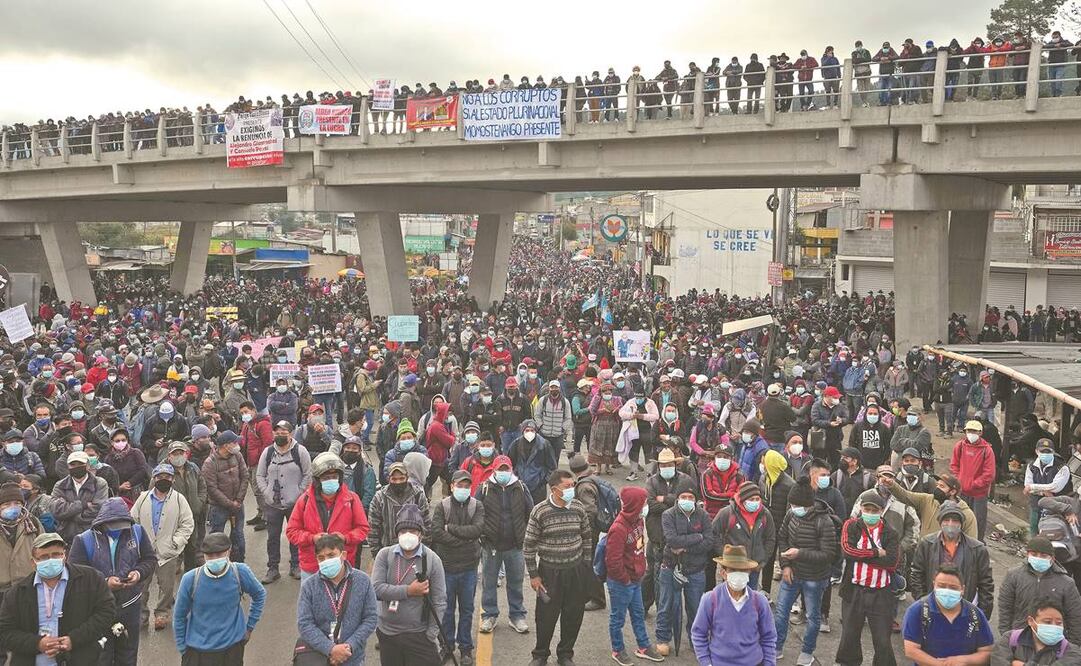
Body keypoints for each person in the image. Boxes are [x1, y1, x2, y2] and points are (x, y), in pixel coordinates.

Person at [0, 532, 116, 665]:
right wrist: (37, 643)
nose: (50, 560)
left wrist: (74, 639)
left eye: (56, 554)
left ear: (64, 556)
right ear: (33, 562)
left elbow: (107, 612)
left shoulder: (90, 579)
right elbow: (5, 631)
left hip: (80, 659)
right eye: (44, 557)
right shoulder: (18, 592)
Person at [67, 496, 157, 665]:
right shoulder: (84, 540)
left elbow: (149, 559)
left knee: (128, 654)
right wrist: (104, 582)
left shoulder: (137, 532)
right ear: (102, 522)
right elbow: (75, 573)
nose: (118, 529)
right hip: (98, 608)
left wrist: (138, 573)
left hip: (130, 604)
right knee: (101, 655)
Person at [525, 469, 592, 666]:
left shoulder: (578, 507)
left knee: (573, 614)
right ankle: (540, 654)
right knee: (545, 616)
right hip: (549, 572)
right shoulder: (540, 511)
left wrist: (586, 564)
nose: (572, 490)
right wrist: (534, 575)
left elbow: (587, 536)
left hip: (576, 570)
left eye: (573, 485)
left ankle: (565, 654)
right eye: (567, 487)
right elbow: (528, 545)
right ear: (554, 489)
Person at [173, 532, 267, 665]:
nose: (214, 559)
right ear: (203, 555)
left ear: (228, 551)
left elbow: (260, 594)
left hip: (232, 650)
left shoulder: (240, 572)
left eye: (218, 554)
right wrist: (183, 648)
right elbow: (179, 616)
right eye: (209, 555)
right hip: (197, 652)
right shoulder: (190, 579)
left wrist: (250, 626)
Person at [371, 503, 447, 665]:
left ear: (420, 535)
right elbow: (376, 589)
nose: (407, 535)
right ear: (397, 534)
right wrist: (409, 591)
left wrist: (431, 634)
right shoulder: (385, 555)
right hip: (388, 633)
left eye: (412, 531)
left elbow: (440, 600)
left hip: (418, 634)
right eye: (403, 531)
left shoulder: (432, 559)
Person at [773, 477, 838, 666]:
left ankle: (807, 651)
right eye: (792, 504)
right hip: (792, 573)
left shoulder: (824, 521)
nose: (794, 508)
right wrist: (785, 564)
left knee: (812, 616)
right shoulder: (791, 515)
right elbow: (782, 537)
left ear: (808, 505)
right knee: (781, 612)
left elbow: (828, 554)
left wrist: (800, 553)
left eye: (796, 505)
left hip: (815, 577)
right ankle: (776, 647)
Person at [835, 491, 900, 666]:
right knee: (849, 635)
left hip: (880, 594)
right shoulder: (851, 526)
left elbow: (892, 562)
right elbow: (847, 551)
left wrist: (861, 556)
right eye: (867, 509)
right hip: (854, 590)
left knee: (882, 640)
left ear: (881, 511)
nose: (870, 513)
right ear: (861, 508)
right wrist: (876, 553)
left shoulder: (890, 532)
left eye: (874, 510)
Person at [296, 533, 379, 666]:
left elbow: (371, 618)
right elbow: (305, 624)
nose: (326, 561)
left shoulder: (363, 581)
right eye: (321, 558)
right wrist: (330, 649)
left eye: (331, 555)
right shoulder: (309, 586)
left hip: (353, 657)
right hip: (320, 657)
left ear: (343, 555)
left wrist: (349, 646)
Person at [131, 463, 195, 632]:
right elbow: (133, 521)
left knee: (166, 587)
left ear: (172, 479)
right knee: (141, 586)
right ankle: (141, 615)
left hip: (167, 551)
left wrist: (177, 542)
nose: (163, 480)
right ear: (154, 479)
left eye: (167, 477)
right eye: (159, 477)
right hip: (144, 553)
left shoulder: (179, 499)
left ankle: (162, 614)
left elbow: (187, 524)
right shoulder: (143, 497)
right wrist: (137, 542)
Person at [286, 451, 370, 579]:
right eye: (325, 478)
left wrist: (346, 538)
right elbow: (292, 531)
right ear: (317, 480)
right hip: (312, 567)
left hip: (343, 566)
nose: (331, 480)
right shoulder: (304, 501)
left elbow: (363, 529)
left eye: (334, 477)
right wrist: (311, 538)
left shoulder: (352, 499)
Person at [430, 470, 484, 665]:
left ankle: (466, 648)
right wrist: (465, 540)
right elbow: (436, 533)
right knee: (446, 609)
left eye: (466, 486)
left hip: (469, 567)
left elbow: (477, 530)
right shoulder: (441, 507)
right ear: (451, 486)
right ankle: (447, 645)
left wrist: (450, 528)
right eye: (459, 485)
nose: (463, 489)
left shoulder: (476, 506)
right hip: (447, 567)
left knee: (467, 609)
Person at [605, 486, 664, 664]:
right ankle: (617, 650)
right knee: (618, 618)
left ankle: (644, 646)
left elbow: (638, 547)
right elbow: (613, 561)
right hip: (622, 582)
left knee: (638, 614)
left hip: (635, 578)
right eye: (644, 502)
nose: (646, 505)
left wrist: (639, 570)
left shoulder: (638, 521)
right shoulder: (618, 528)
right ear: (636, 504)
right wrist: (625, 579)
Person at [690, 544, 776, 666]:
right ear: (723, 573)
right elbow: (698, 633)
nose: (738, 574)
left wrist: (769, 663)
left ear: (749, 572)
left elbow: (769, 637)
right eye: (733, 570)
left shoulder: (760, 601)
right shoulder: (710, 599)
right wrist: (706, 663)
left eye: (742, 570)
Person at [476, 454, 533, 635]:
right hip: (491, 545)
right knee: (489, 582)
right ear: (493, 470)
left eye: (506, 469)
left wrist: (525, 536)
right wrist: (482, 535)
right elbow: (477, 512)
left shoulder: (520, 487)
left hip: (515, 545)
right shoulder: (484, 488)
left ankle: (517, 615)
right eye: (499, 469)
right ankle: (489, 615)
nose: (503, 472)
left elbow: (530, 512)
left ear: (511, 470)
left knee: (516, 581)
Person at [910, 501, 994, 620]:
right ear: (940, 523)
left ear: (961, 524)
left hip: (964, 612)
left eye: (955, 521)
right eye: (946, 520)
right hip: (933, 610)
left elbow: (986, 585)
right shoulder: (927, 544)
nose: (950, 524)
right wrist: (923, 603)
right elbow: (917, 574)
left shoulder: (977, 549)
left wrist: (982, 616)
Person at [902, 563, 994, 664]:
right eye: (941, 586)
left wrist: (962, 661)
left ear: (962, 589)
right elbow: (911, 650)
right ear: (934, 585)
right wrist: (939, 664)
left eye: (953, 587)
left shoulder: (975, 614)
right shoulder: (917, 611)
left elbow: (986, 651)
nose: (947, 591)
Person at [255, 419, 312, 583]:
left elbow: (308, 474)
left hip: (295, 503)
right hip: (272, 503)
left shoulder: (300, 451)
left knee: (295, 536)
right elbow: (260, 475)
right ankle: (273, 568)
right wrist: (266, 492)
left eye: (284, 432)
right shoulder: (267, 452)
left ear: (291, 433)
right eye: (277, 432)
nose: (280, 435)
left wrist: (300, 493)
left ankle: (296, 565)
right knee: (272, 536)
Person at [997, 535, 1081, 642]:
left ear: (1052, 558)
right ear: (1027, 554)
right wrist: (1007, 636)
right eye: (1034, 554)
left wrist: (1071, 645)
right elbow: (1005, 607)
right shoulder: (1014, 576)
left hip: (1053, 642)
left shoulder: (1066, 583)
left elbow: (1075, 616)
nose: (1038, 558)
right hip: (1020, 637)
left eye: (1043, 555)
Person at [712, 481, 775, 591]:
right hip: (732, 568)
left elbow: (771, 538)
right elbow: (713, 534)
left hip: (754, 568)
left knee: (750, 600)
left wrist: (763, 561)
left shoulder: (765, 514)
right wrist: (725, 554)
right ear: (743, 499)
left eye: (757, 499)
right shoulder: (727, 513)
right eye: (751, 499)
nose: (755, 502)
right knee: (730, 599)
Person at [201, 431, 247, 562]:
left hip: (238, 504)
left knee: (238, 535)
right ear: (226, 446)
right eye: (234, 442)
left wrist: (238, 499)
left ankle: (239, 562)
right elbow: (211, 488)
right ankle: (216, 564)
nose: (237, 445)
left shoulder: (237, 456)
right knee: (216, 538)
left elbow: (245, 476)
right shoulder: (210, 463)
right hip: (219, 508)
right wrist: (229, 503)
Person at [990, 599, 1081, 665]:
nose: (1054, 626)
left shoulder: (1071, 651)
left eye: (1059, 623)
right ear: (1030, 621)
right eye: (1047, 622)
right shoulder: (1009, 639)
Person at [367, 461, 431, 554]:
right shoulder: (380, 498)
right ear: (389, 479)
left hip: (414, 550)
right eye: (394, 479)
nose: (398, 482)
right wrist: (376, 552)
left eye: (401, 478)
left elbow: (427, 524)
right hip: (388, 550)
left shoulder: (418, 495)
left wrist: (424, 550)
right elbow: (373, 528)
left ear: (407, 477)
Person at [949, 419, 996, 540]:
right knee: (960, 518)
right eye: (969, 431)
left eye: (974, 431)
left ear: (980, 433)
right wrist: (959, 480)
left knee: (978, 521)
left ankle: (977, 544)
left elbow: (989, 474)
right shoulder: (960, 446)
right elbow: (954, 465)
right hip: (962, 491)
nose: (971, 433)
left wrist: (974, 484)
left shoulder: (987, 450)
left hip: (979, 494)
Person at [50, 450, 109, 543]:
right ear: (68, 466)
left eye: (80, 464)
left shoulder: (99, 483)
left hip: (93, 536)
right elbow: (56, 510)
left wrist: (70, 515)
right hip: (66, 537)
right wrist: (83, 504)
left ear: (88, 465)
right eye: (73, 464)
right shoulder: (60, 485)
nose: (76, 467)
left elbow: (99, 509)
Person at [0, 481, 43, 609]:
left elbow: (43, 549)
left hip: (28, 587)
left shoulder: (33, 523)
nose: (12, 507)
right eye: (7, 504)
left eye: (17, 503)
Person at [1025, 438, 1072, 535]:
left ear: (1053, 452)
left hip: (1057, 504)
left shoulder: (1062, 467)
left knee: (1054, 531)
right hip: (1036, 503)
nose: (1045, 454)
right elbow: (1027, 485)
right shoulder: (1031, 466)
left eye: (1048, 451)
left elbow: (1055, 487)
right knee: (1034, 528)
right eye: (1042, 451)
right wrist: (1043, 492)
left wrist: (1033, 487)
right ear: (1037, 451)